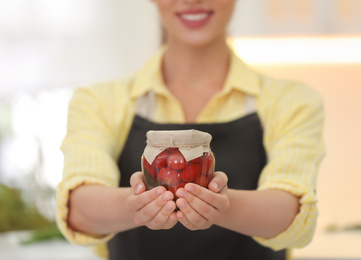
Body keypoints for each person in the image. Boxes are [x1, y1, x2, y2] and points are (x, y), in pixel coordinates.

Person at [56, 0, 325, 259]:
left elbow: (292, 211)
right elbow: (79, 210)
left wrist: (222, 207)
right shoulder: (99, 101)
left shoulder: (292, 101)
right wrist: (137, 206)